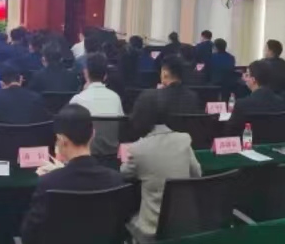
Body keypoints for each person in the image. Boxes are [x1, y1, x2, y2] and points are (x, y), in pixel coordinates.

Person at [19, 105, 126, 244]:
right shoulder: (116, 180)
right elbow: (120, 232)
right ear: (93, 134)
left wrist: (58, 174)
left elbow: (29, 235)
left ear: (61, 140)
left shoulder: (49, 183)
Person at [121, 90, 202, 241]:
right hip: (185, 225)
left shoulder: (137, 149)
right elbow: (197, 174)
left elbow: (124, 173)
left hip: (150, 229)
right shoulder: (184, 139)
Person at [0, 62, 51, 158]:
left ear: (1, 83)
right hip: (34, 156)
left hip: (2, 157)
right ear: (21, 79)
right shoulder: (37, 98)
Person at [129, 56, 202, 140]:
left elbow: (136, 126)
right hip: (184, 144)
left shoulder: (148, 97)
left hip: (155, 145)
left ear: (164, 73)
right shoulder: (193, 98)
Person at [226, 60, 285, 134]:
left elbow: (230, 132)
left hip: (248, 140)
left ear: (253, 80)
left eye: (247, 75)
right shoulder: (280, 102)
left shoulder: (242, 104)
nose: (244, 79)